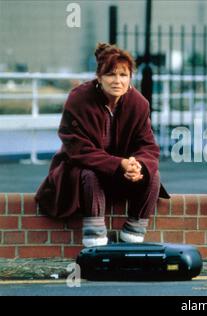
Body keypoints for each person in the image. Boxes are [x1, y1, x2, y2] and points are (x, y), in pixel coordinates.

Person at [35, 43, 170, 248]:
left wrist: (137, 165)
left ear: (130, 78)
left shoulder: (139, 103)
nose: (117, 81)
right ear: (99, 77)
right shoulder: (79, 98)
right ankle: (95, 236)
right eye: (111, 74)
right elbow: (77, 148)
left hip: (120, 176)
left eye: (123, 75)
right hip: (79, 175)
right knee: (90, 173)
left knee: (153, 174)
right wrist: (119, 163)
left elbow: (148, 146)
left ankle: (133, 231)